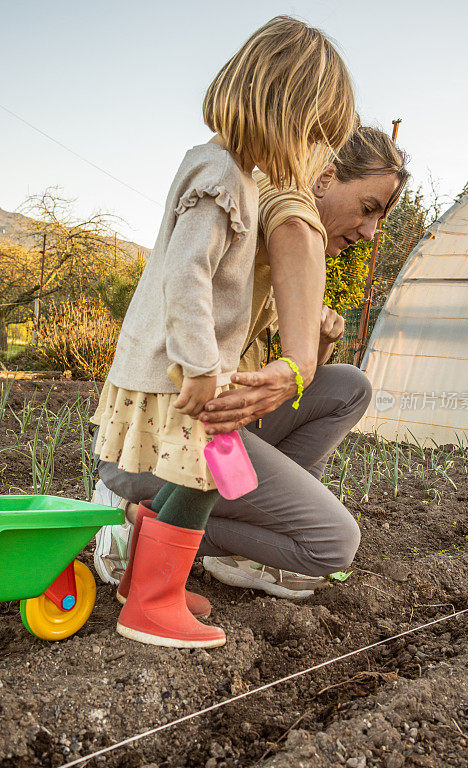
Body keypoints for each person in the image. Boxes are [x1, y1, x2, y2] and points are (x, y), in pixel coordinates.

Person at [89, 16, 356, 650]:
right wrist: (204, 365)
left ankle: (150, 583)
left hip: (182, 371)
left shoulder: (222, 169)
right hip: (180, 376)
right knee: (204, 476)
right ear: (288, 115)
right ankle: (151, 606)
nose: (316, 156)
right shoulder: (222, 177)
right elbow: (187, 276)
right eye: (317, 136)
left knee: (209, 478)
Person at [93, 127, 409, 600]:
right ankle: (141, 518)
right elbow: (291, 215)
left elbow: (274, 381)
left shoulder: (276, 245)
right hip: (160, 440)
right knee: (331, 545)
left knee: (350, 386)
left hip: (211, 421)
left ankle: (230, 535)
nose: (369, 232)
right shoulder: (277, 205)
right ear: (324, 177)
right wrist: (300, 357)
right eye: (368, 209)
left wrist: (316, 348)